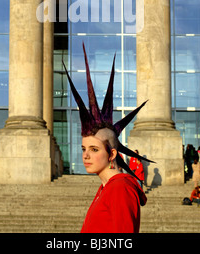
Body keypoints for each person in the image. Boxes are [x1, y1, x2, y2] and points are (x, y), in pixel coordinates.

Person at [64, 43, 152, 233]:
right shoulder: (107, 187)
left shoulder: (120, 188)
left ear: (112, 154)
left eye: (94, 149)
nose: (85, 156)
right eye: (83, 149)